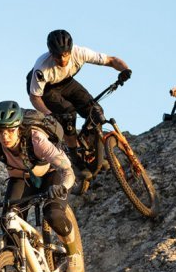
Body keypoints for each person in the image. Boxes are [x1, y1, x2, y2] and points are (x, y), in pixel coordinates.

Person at [0, 100, 83, 272]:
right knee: (8, 223)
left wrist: (63, 187)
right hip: (21, 179)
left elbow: (67, 169)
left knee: (53, 214)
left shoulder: (36, 139)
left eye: (10, 131)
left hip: (51, 175)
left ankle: (73, 252)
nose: (5, 136)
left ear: (19, 127)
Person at [27, 29, 131, 172]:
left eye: (66, 55)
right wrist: (47, 113)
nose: (63, 60)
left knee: (96, 112)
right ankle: (75, 156)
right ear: (51, 53)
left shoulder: (80, 53)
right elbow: (34, 97)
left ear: (70, 50)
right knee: (69, 115)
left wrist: (125, 70)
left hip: (67, 82)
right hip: (46, 90)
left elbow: (111, 60)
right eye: (58, 56)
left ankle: (94, 152)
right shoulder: (42, 67)